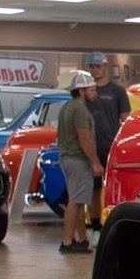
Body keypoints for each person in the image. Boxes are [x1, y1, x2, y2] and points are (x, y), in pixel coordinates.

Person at [56, 70, 102, 254]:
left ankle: (82, 239)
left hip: (67, 158)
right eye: (92, 90)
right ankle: (67, 242)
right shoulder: (80, 110)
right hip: (78, 160)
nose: (95, 93)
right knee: (75, 202)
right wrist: (96, 163)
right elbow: (85, 139)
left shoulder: (66, 107)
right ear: (81, 91)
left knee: (79, 200)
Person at [84, 53, 129, 230]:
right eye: (92, 67)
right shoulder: (85, 92)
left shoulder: (117, 91)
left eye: (98, 66)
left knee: (112, 189)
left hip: (111, 145)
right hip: (92, 147)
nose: (95, 70)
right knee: (94, 190)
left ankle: (111, 225)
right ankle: (95, 227)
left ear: (105, 67)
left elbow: (125, 118)